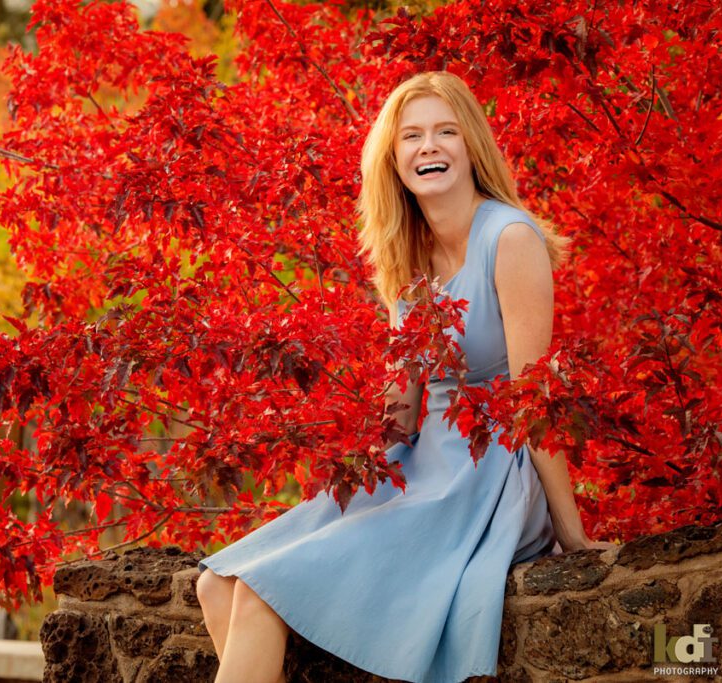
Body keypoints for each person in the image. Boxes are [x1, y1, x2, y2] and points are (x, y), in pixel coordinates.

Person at [194, 71, 616, 683]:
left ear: (472, 145)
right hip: (419, 462)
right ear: (392, 159)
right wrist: (333, 459)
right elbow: (401, 409)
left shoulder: (510, 238)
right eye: (412, 136)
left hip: (487, 473)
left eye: (446, 132)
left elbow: (534, 401)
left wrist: (571, 533)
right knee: (215, 583)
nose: (429, 147)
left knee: (262, 594)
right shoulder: (408, 257)